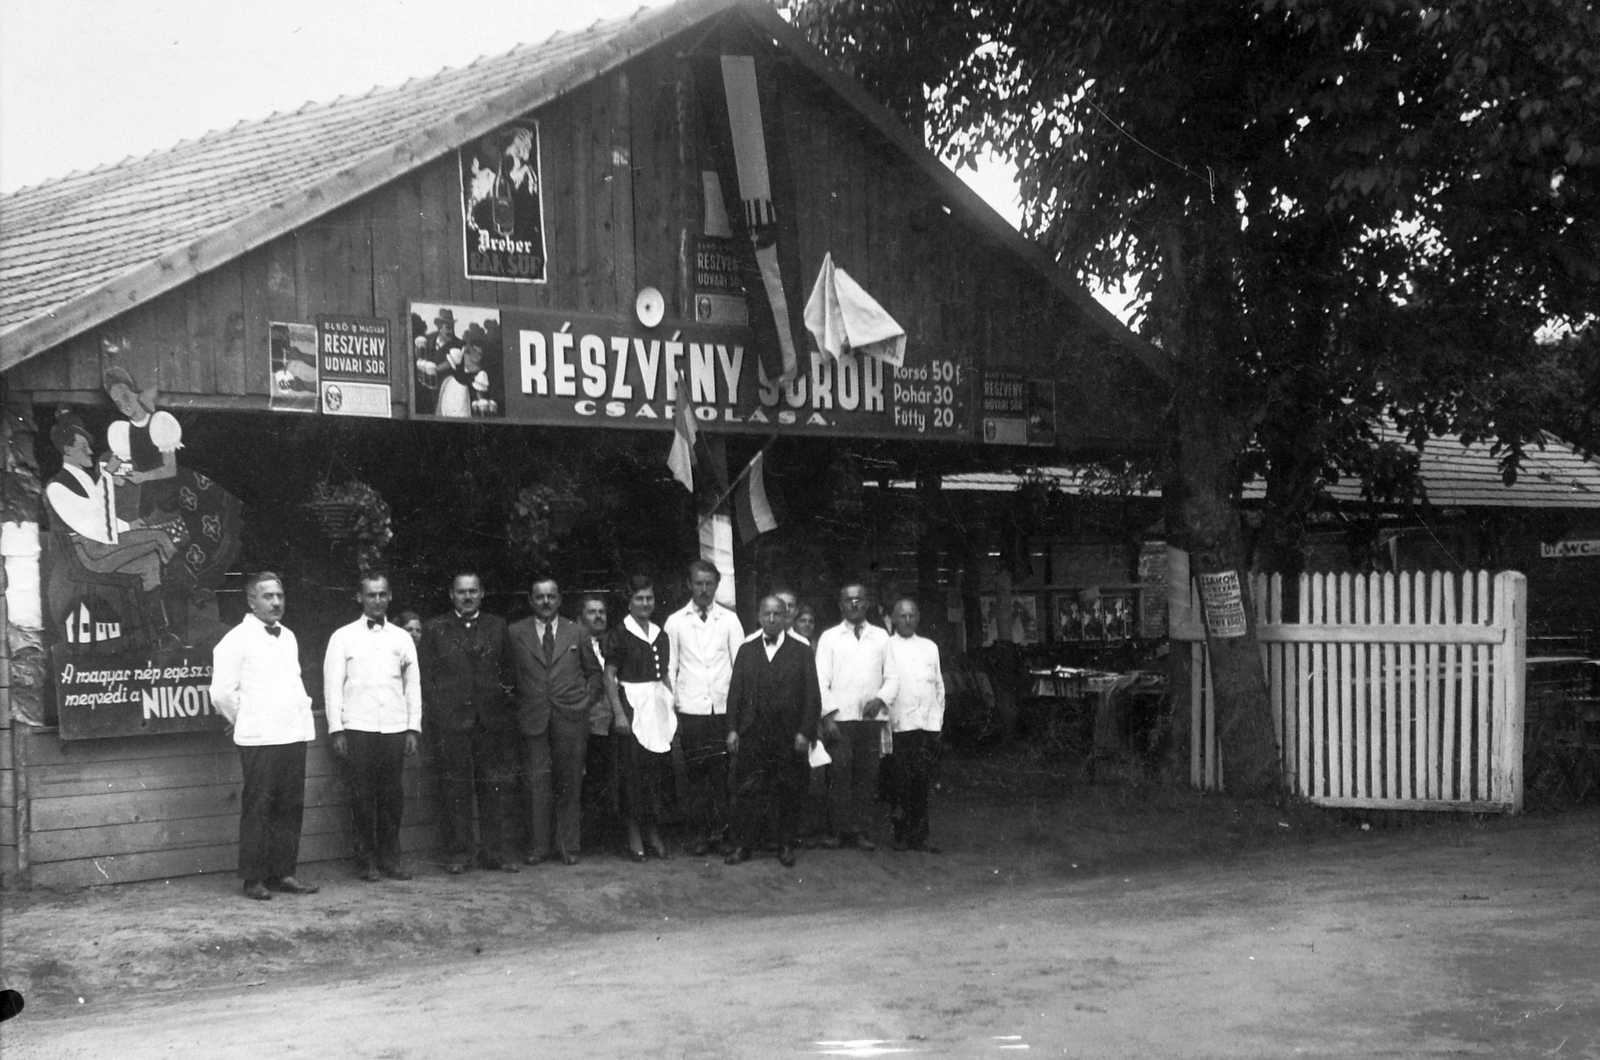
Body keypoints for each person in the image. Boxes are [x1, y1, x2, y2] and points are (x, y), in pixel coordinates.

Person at [209, 572, 319, 901]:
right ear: (251, 601)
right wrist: (245, 720)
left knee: (290, 805)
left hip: (292, 734)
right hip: (259, 739)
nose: (276, 602)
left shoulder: (289, 637)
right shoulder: (236, 639)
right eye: (268, 596)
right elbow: (221, 693)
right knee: (259, 807)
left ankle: (283, 872)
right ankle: (253, 879)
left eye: (280, 596)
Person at [418, 572, 518, 875]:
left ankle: (493, 853)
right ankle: (459, 853)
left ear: (482, 593)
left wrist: (500, 709)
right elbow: (426, 677)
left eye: (473, 591)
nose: (468, 597)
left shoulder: (497, 626)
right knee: (455, 789)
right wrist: (441, 712)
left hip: (489, 721)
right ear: (451, 595)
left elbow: (509, 673)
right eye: (461, 592)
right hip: (452, 723)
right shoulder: (435, 628)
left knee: (492, 788)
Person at [324, 573, 421, 882]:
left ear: (389, 596)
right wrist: (337, 729)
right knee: (362, 797)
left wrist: (413, 727)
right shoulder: (342, 637)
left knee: (392, 797)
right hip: (359, 727)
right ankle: (366, 861)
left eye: (382, 594)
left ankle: (390, 859)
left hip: (393, 726)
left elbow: (412, 686)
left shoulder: (402, 638)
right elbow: (332, 687)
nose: (377, 600)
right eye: (371, 595)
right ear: (359, 597)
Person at [508, 576, 600, 866]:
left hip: (570, 717)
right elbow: (506, 677)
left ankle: (568, 846)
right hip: (533, 717)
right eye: (539, 597)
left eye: (551, 596)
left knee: (569, 781)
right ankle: (538, 847)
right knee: (536, 783)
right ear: (530, 600)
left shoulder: (577, 632)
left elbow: (594, 673)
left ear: (559, 599)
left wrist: (584, 703)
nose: (545, 602)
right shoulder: (515, 632)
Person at [724, 595, 821, 868]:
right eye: (766, 613)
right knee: (748, 791)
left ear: (786, 617)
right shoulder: (747, 650)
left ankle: (786, 845)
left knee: (788, 790)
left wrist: (805, 732)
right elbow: (735, 693)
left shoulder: (801, 650)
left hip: (788, 735)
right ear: (759, 617)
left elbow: (812, 697)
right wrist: (732, 729)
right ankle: (744, 845)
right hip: (753, 733)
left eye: (777, 613)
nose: (771, 618)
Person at [663, 560, 744, 857]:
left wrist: (737, 712)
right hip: (692, 709)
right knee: (695, 774)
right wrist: (671, 710)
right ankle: (700, 834)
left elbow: (740, 667)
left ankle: (720, 834)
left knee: (721, 775)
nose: (704, 589)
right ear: (689, 585)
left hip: (722, 710)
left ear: (717, 585)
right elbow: (670, 668)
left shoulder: (730, 620)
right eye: (699, 583)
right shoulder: (675, 622)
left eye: (710, 583)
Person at [812, 581, 892, 851]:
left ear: (867, 603)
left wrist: (880, 698)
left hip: (870, 719)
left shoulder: (881, 637)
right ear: (841, 605)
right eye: (849, 600)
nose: (854, 604)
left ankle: (860, 831)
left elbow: (892, 676)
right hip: (840, 720)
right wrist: (828, 717)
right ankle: (838, 831)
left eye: (859, 599)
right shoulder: (830, 638)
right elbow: (820, 680)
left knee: (866, 776)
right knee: (839, 774)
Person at [603, 574, 676, 861]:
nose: (645, 603)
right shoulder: (619, 634)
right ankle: (634, 834)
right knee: (632, 773)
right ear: (629, 602)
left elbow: (664, 674)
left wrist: (671, 706)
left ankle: (653, 831)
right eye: (639, 598)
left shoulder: (660, 634)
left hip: (657, 707)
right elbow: (609, 676)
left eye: (649, 598)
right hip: (632, 706)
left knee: (655, 773)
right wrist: (619, 714)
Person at [880, 598, 946, 853]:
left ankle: (920, 835)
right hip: (899, 726)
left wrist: (937, 720)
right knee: (899, 783)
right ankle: (901, 834)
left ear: (918, 618)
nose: (907, 621)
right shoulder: (887, 647)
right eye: (902, 616)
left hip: (926, 725)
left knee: (921, 782)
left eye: (911, 616)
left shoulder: (930, 647)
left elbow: (938, 686)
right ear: (893, 619)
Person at [577, 593, 618, 852]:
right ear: (580, 618)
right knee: (589, 781)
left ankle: (611, 837)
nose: (598, 616)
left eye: (602, 612)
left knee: (612, 780)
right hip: (587, 722)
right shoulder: (575, 645)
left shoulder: (614, 643)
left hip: (615, 721)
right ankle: (589, 839)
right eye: (592, 612)